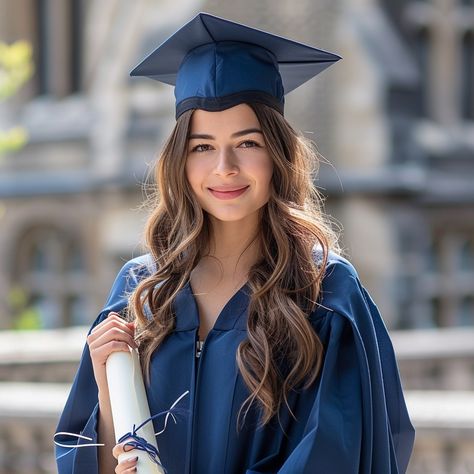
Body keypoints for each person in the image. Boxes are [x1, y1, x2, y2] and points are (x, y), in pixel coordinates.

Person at [55, 12, 415, 474]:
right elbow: (98, 460)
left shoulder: (325, 293)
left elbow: (333, 454)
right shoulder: (142, 289)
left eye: (247, 143)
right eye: (202, 146)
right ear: (179, 162)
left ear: (277, 155)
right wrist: (108, 395)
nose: (224, 167)